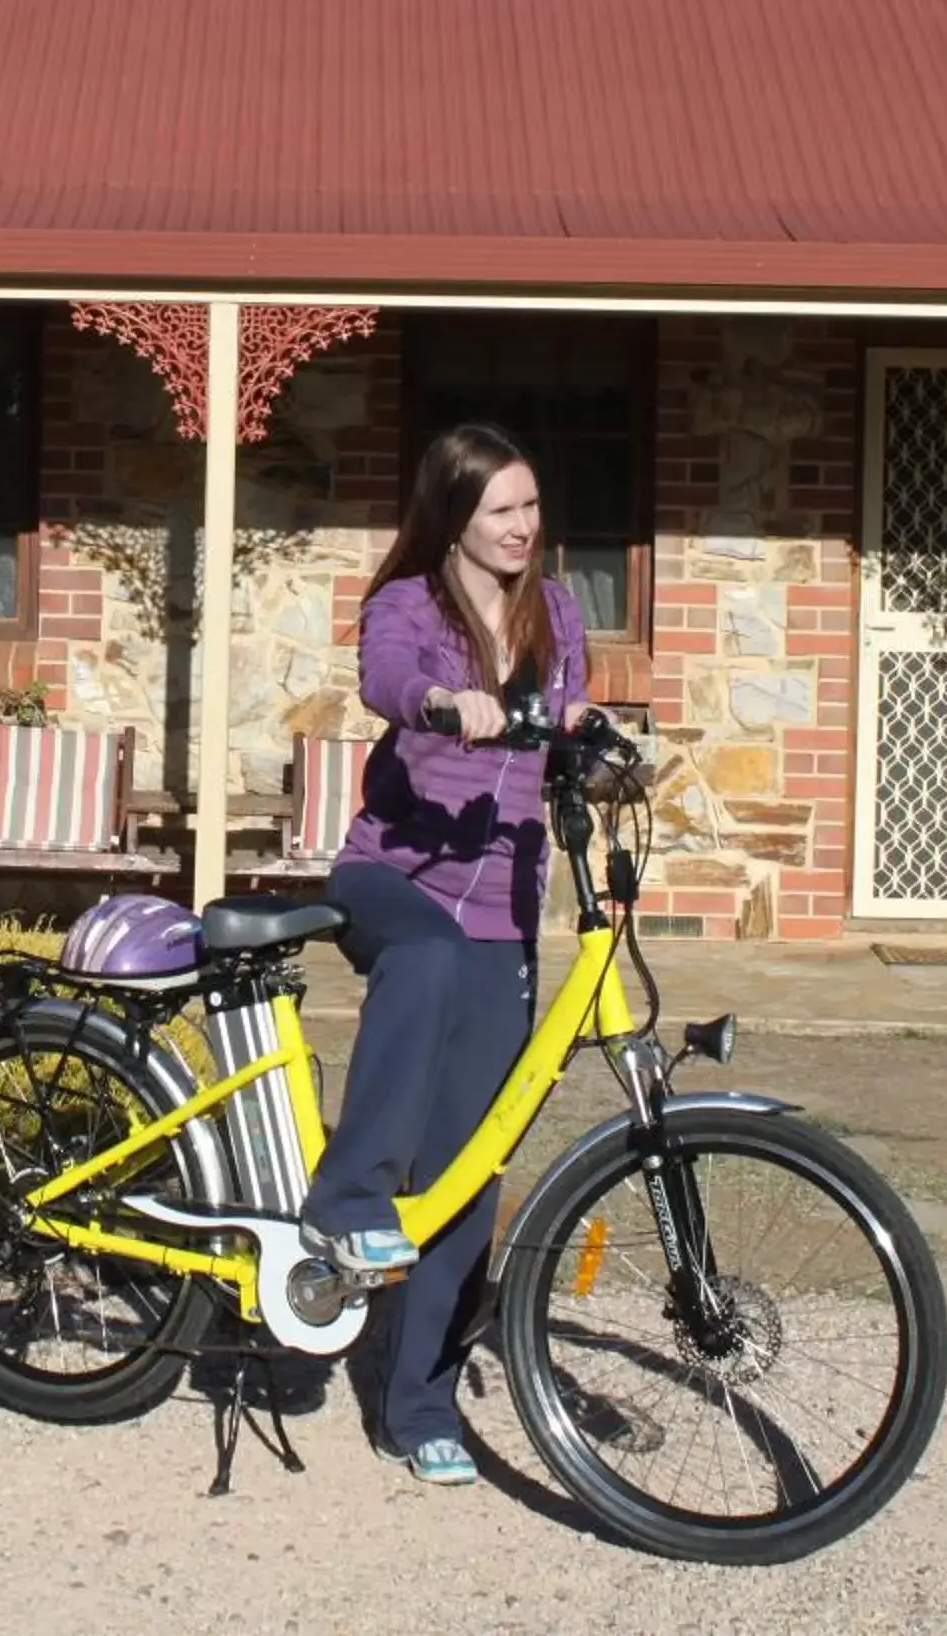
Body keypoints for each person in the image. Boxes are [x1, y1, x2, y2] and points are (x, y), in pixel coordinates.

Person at [298, 421, 591, 1488]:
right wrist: (441, 701)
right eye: (502, 509)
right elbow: (385, 678)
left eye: (531, 504)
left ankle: (416, 1402)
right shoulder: (409, 607)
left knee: (473, 1162)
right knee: (417, 958)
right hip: (393, 879)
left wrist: (594, 739)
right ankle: (349, 1198)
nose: (524, 525)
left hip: (507, 911)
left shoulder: (557, 611)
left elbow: (564, 717)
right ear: (455, 517)